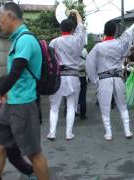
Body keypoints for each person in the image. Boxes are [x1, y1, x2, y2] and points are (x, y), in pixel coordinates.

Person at [0, 2, 49, 180]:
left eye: (0, 20)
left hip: (24, 105)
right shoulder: (17, 39)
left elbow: (14, 74)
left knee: (33, 154)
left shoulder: (25, 40)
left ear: (10, 17)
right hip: (11, 104)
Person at [86, 12, 134, 141]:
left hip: (104, 80)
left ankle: (108, 133)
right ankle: (127, 131)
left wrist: (94, 79)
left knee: (105, 107)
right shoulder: (120, 43)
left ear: (104, 31)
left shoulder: (99, 46)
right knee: (122, 105)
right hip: (118, 79)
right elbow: (131, 29)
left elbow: (89, 62)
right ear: (115, 31)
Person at [46, 9, 86, 141]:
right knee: (71, 106)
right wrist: (76, 13)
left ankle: (52, 132)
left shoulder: (54, 42)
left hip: (58, 77)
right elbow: (81, 26)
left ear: (60, 28)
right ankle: (69, 133)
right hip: (74, 76)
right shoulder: (78, 40)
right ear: (72, 29)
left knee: (54, 106)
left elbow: (49, 61)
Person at [0, 76, 36, 180]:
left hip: (16, 133)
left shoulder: (18, 100)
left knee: (14, 158)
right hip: (4, 134)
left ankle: (32, 172)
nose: (2, 94)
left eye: (4, 91)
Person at [77, 46, 88, 120]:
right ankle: (82, 113)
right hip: (82, 75)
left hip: (72, 75)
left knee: (70, 95)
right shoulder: (84, 50)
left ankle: (69, 112)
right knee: (83, 95)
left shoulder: (71, 49)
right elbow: (87, 63)